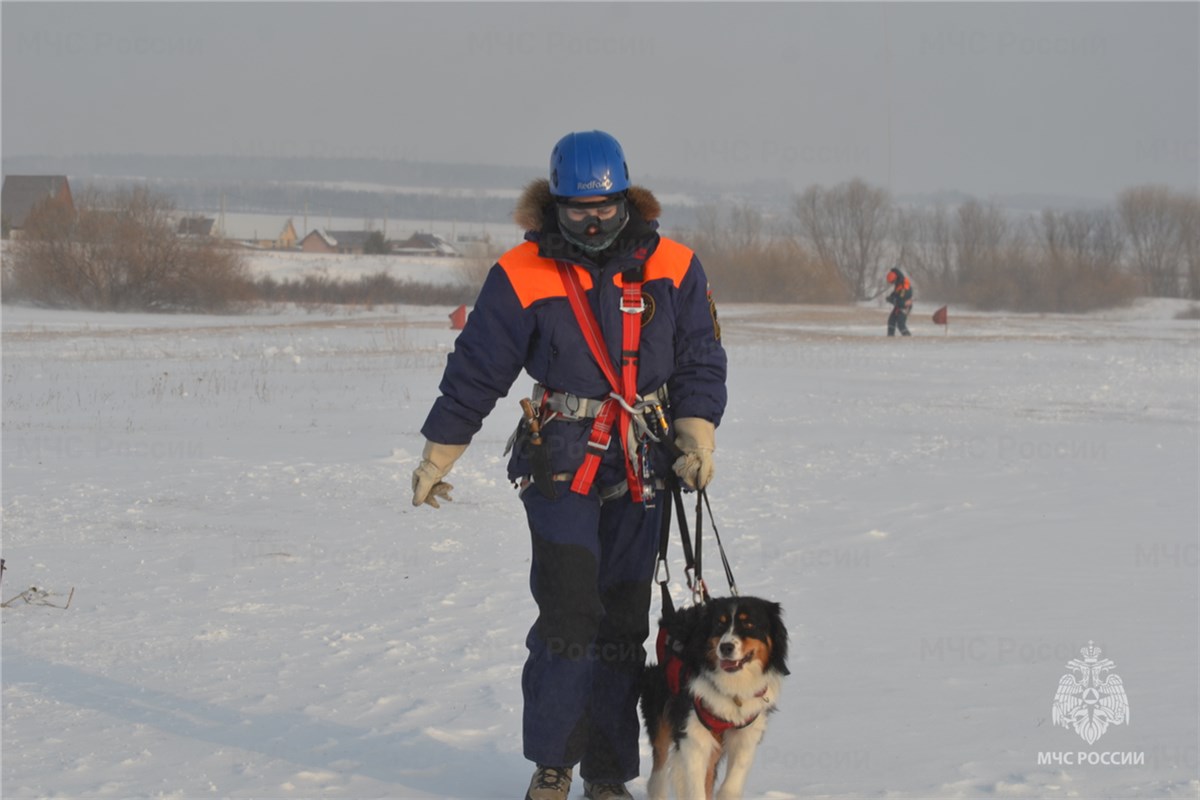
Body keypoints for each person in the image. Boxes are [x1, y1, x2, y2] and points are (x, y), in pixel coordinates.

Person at [411, 130, 728, 800]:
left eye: (605, 208)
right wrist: (443, 448)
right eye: (578, 209)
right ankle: (553, 763)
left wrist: (697, 436)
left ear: (627, 199)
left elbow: (700, 356)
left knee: (622, 624)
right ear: (554, 205)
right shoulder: (522, 274)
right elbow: (477, 367)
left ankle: (607, 772)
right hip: (560, 465)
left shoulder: (675, 265)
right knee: (568, 616)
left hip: (644, 462)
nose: (592, 220)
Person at [885, 267, 913, 336]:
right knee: (891, 321)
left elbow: (901, 302)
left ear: (896, 278)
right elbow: (897, 293)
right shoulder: (899, 283)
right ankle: (890, 338)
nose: (892, 283)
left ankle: (908, 338)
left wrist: (892, 300)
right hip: (899, 305)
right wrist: (891, 296)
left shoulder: (904, 287)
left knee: (901, 324)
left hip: (905, 306)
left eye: (892, 282)